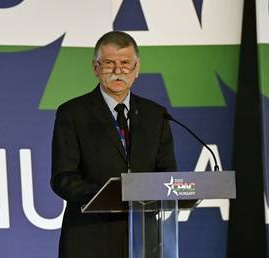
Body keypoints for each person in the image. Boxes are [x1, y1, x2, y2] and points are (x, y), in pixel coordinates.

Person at [51, 31, 177, 258]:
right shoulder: (72, 113)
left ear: (137, 69)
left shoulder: (156, 115)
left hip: (143, 239)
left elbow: (168, 172)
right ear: (95, 68)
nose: (118, 70)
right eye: (109, 63)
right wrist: (109, 194)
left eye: (126, 63)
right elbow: (63, 178)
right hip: (89, 237)